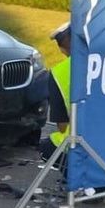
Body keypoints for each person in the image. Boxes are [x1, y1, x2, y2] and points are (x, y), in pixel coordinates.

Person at [39, 20, 72, 166]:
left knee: (46, 147)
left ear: (62, 49)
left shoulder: (59, 73)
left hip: (82, 151)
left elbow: (62, 125)